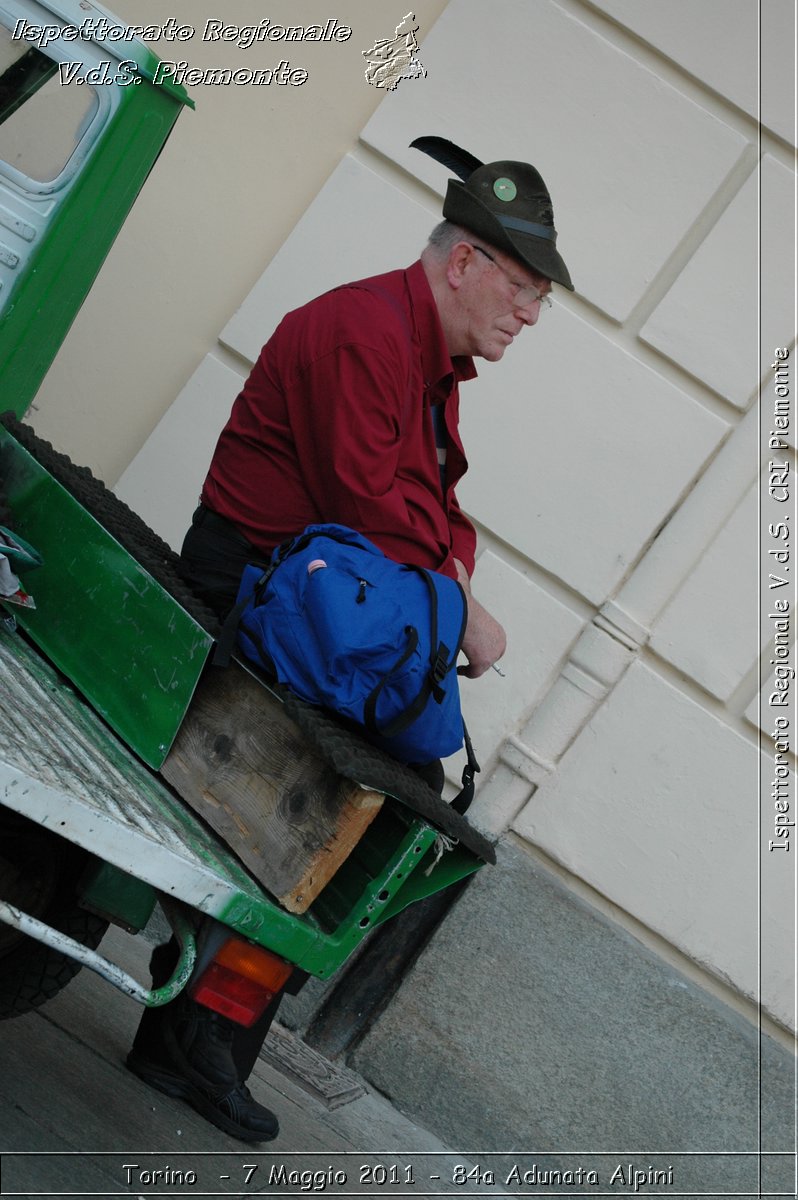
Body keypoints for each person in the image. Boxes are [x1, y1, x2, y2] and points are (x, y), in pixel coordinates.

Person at [126, 139, 573, 1142]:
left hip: (318, 609)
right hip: (254, 596)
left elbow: (443, 514)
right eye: (526, 286)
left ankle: (200, 1038)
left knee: (368, 812)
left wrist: (452, 581)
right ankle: (193, 1040)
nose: (533, 312)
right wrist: (462, 609)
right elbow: (377, 516)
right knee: (344, 811)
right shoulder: (366, 335)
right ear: (465, 262)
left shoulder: (425, 359)